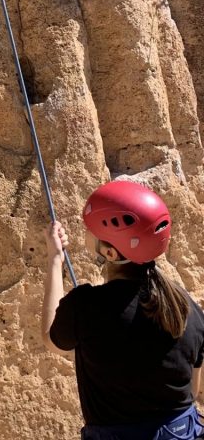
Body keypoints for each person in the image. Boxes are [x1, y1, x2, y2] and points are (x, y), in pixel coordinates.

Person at [42, 180, 204, 439]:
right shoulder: (186, 307)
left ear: (110, 253)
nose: (87, 232)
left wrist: (54, 260)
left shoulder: (86, 306)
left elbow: (53, 339)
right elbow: (192, 391)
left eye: (91, 230)